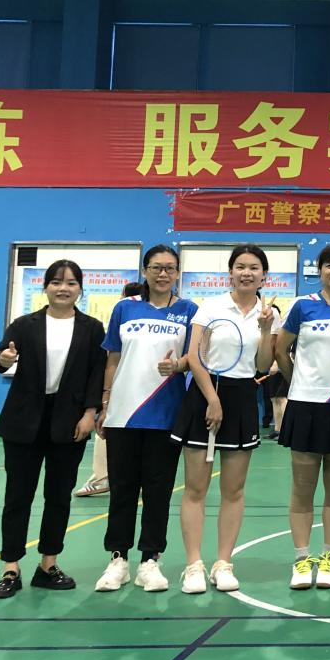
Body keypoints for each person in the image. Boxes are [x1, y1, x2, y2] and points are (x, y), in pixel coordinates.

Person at [0, 260, 106, 599]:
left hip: (69, 422)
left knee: (58, 496)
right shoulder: (25, 325)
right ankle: (10, 567)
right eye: (56, 282)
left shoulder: (91, 328)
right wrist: (4, 359)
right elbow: (0, 355)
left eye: (71, 283)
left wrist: (90, 413)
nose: (63, 288)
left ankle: (48, 565)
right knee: (18, 496)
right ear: (46, 287)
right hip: (24, 421)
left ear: (80, 289)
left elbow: (96, 373)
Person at [171, 244, 278, 594]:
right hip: (206, 394)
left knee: (233, 490)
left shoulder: (268, 313)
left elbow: (262, 366)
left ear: (264, 275)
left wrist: (266, 329)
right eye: (240, 266)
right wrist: (212, 400)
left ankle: (223, 563)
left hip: (243, 396)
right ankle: (193, 565)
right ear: (230, 272)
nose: (247, 273)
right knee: (196, 488)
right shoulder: (211, 307)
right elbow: (195, 356)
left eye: (254, 267)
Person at [93, 247, 197, 594]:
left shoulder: (188, 311)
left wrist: (177, 365)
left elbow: (194, 358)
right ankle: (118, 559)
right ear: (145, 271)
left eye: (169, 268)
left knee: (158, 491)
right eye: (156, 267)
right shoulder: (125, 308)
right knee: (122, 490)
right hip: (123, 414)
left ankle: (150, 560)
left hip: (166, 415)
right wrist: (105, 402)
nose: (163, 274)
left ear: (178, 273)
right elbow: (113, 358)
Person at [275, 244, 330, 590]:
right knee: (302, 488)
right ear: (320, 270)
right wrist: (297, 382)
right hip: (305, 406)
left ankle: (328, 557)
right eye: (329, 265)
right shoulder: (303, 305)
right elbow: (281, 349)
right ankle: (301, 559)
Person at [75, 281, 144, 498]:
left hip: (132, 392)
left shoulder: (126, 309)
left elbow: (112, 358)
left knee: (106, 432)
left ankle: (102, 476)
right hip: (122, 391)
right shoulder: (124, 316)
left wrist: (107, 396)